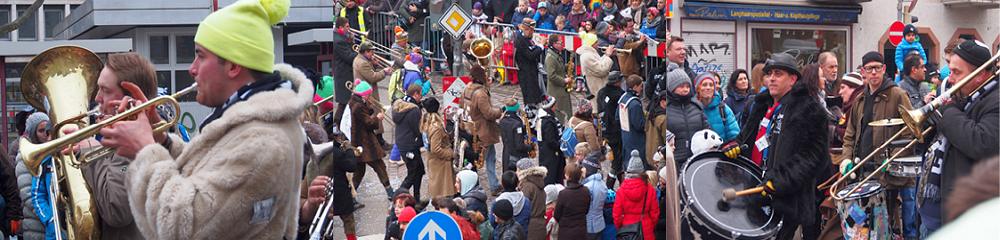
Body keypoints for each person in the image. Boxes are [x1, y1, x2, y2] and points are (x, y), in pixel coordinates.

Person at [96, 0, 318, 237]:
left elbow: (182, 227)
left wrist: (145, 150)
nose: (192, 69)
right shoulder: (249, 123)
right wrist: (161, 140)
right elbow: (206, 179)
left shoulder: (263, 142)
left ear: (232, 65)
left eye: (200, 56)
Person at [726, 50, 831, 239]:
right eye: (769, 74)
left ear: (792, 79)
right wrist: (734, 146)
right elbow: (746, 138)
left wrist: (782, 180)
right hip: (756, 190)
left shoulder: (809, 109)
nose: (772, 79)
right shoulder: (760, 105)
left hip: (787, 198)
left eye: (778, 74)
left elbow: (815, 157)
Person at [919, 40, 997, 236]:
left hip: (966, 216)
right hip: (937, 210)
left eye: (956, 72)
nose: (950, 78)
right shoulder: (967, 96)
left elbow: (981, 143)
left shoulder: (994, 101)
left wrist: (949, 110)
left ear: (980, 75)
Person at [839, 52, 917, 239]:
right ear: (863, 72)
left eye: (877, 68)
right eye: (869, 69)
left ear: (884, 69)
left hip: (887, 174)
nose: (873, 73)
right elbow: (850, 135)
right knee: (863, 228)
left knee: (886, 225)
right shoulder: (860, 100)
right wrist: (846, 159)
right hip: (862, 171)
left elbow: (910, 132)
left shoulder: (898, 95)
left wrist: (893, 158)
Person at [82, 52, 157, 239]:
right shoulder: (120, 132)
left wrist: (91, 150)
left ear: (130, 96)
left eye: (105, 90)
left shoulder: (133, 139)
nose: (97, 98)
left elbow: (116, 211)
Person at [301, 132, 358, 240]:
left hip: (332, 193)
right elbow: (351, 166)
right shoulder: (336, 152)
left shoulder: (327, 155)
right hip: (341, 191)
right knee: (348, 220)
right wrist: (350, 150)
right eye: (339, 137)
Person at [349, 79, 394, 200]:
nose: (370, 96)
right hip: (365, 143)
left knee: (359, 172)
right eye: (369, 94)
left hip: (359, 142)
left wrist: (370, 109)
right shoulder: (358, 106)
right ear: (365, 94)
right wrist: (377, 118)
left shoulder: (356, 102)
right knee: (380, 167)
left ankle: (350, 197)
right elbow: (368, 123)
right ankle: (390, 192)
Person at [462, 65, 504, 194]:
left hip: (470, 129)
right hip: (483, 131)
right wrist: (500, 111)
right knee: (489, 159)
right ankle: (494, 185)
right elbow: (489, 113)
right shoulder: (480, 94)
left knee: (473, 160)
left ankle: (472, 185)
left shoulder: (467, 89)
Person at [664, 65, 708, 166]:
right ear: (672, 88)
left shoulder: (696, 106)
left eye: (687, 86)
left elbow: (706, 130)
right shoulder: (667, 108)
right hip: (674, 161)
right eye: (681, 86)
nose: (685, 89)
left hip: (696, 159)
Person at [613, 151, 660, 240]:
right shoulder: (650, 189)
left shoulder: (621, 191)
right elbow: (655, 213)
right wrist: (650, 225)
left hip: (628, 231)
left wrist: (620, 227)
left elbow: (617, 215)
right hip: (646, 229)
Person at [16, 112, 49, 240]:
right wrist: (49, 217)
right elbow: (27, 194)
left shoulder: (52, 150)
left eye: (47, 129)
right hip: (36, 224)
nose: (46, 134)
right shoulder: (24, 156)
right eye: (41, 131)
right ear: (32, 132)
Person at [393, 84, 425, 200]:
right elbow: (417, 129)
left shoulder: (401, 104)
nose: (421, 96)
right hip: (410, 145)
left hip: (404, 143)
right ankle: (397, 198)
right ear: (415, 94)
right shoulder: (414, 110)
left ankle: (417, 197)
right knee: (412, 173)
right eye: (420, 94)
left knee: (419, 170)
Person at [421, 97, 456, 200]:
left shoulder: (427, 121)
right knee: (444, 195)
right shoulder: (436, 127)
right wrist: (451, 154)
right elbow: (435, 149)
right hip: (440, 165)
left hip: (435, 162)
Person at [597, 71, 625, 187]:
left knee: (617, 158)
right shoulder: (620, 95)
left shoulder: (601, 92)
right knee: (618, 159)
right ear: (617, 82)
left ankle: (622, 183)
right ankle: (609, 184)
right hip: (617, 131)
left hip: (604, 130)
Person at [694, 73, 740, 141]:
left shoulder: (723, 109)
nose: (708, 88)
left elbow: (734, 134)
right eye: (704, 85)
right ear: (698, 88)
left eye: (711, 85)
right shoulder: (692, 109)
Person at [331, 17, 358, 128]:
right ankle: (337, 125)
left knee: (345, 102)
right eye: (347, 27)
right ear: (340, 27)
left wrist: (351, 41)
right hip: (344, 75)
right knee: (344, 102)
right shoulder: (339, 40)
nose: (349, 29)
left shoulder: (341, 37)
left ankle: (339, 126)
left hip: (344, 74)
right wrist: (361, 52)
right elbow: (348, 57)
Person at [553, 163, 591, 240]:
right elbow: (586, 210)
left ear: (567, 176)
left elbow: (557, 215)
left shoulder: (563, 194)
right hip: (581, 231)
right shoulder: (586, 191)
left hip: (566, 232)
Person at [578, 32, 615, 108]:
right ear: (592, 44)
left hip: (598, 86)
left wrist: (606, 56)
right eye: (596, 42)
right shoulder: (587, 56)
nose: (598, 44)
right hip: (595, 88)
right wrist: (607, 56)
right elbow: (601, 70)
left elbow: (599, 63)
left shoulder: (590, 53)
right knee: (597, 110)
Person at [515, 19, 546, 107]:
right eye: (530, 30)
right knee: (530, 98)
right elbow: (530, 55)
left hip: (532, 71)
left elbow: (532, 49)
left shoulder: (527, 38)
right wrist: (541, 46)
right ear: (525, 29)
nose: (532, 32)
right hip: (526, 73)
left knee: (537, 95)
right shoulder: (520, 40)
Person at [536, 96, 566, 185]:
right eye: (555, 105)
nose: (556, 107)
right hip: (551, 155)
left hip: (546, 153)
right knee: (552, 178)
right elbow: (550, 140)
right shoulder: (548, 122)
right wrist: (560, 146)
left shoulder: (543, 118)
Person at [516, 158, 548, 239]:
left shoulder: (527, 186)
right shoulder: (537, 182)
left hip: (531, 226)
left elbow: (522, 207)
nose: (516, 172)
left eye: (518, 170)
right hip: (540, 224)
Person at [353, 42, 393, 106]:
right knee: (373, 113)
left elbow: (369, 72)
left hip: (365, 90)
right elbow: (373, 77)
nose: (373, 54)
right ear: (366, 52)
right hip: (367, 93)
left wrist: (374, 65)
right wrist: (384, 72)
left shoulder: (360, 59)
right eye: (371, 52)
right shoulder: (362, 63)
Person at [619, 75, 647, 169]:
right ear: (635, 87)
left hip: (625, 136)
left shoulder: (623, 98)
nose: (642, 88)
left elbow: (617, 117)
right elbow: (639, 125)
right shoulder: (634, 104)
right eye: (640, 86)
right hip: (636, 140)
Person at [544, 34, 573, 121]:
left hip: (561, 90)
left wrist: (568, 66)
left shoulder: (556, 54)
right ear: (554, 44)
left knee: (565, 112)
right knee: (560, 114)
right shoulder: (550, 57)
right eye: (560, 43)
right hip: (556, 92)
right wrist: (564, 81)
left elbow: (559, 68)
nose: (562, 45)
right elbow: (551, 75)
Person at [495, 170, 531, 236]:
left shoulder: (497, 202)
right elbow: (528, 218)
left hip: (502, 235)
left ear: (502, 184)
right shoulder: (526, 201)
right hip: (522, 234)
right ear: (517, 183)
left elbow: (493, 221)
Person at [580, 153, 607, 239]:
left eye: (583, 167)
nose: (581, 169)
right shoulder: (602, 183)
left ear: (588, 169)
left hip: (590, 225)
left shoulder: (588, 187)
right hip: (599, 223)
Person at [644, 91, 668, 168]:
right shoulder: (663, 118)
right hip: (659, 156)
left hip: (650, 153)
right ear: (663, 102)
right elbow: (666, 140)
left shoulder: (652, 113)